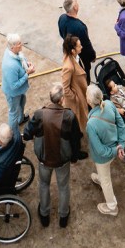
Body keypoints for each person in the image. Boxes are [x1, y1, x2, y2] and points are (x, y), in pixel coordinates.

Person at [23, 82, 84, 229]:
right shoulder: (69, 116)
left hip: (44, 159)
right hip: (62, 160)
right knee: (63, 187)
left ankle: (44, 214)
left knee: (44, 184)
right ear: (62, 99)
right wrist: (75, 157)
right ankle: (63, 216)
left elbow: (26, 133)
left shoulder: (39, 114)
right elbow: (76, 140)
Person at [85, 84, 125, 217]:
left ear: (89, 101)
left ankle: (112, 207)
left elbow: (101, 151)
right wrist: (121, 146)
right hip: (115, 147)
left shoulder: (91, 124)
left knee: (106, 181)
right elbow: (120, 124)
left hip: (104, 157)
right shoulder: (109, 103)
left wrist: (115, 150)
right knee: (103, 175)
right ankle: (100, 178)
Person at [58, 0, 97, 83]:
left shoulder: (62, 18)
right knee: (84, 77)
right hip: (81, 59)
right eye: (77, 2)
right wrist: (92, 56)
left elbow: (61, 34)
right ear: (75, 7)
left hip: (69, 54)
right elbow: (86, 46)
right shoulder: (80, 27)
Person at [1, 33, 36, 129]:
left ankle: (20, 119)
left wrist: (26, 63)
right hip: (13, 93)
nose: (22, 44)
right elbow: (14, 85)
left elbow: (20, 58)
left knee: (22, 103)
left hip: (20, 91)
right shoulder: (10, 66)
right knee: (13, 113)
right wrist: (27, 73)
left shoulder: (13, 53)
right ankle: (13, 134)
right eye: (19, 43)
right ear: (12, 47)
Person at [61, 34, 89, 133]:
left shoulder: (75, 57)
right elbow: (65, 88)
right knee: (78, 121)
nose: (82, 47)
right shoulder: (68, 67)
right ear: (73, 50)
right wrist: (75, 97)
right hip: (77, 99)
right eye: (79, 46)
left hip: (81, 92)